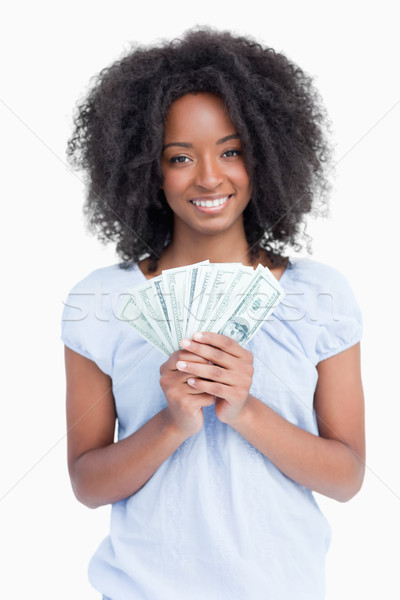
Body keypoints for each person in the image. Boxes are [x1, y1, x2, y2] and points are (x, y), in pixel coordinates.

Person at [62, 28, 365, 600]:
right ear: (148, 169)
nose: (209, 177)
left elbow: (347, 476)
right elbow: (87, 483)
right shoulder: (99, 303)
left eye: (231, 151)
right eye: (180, 158)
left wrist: (245, 410)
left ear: (266, 154)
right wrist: (172, 423)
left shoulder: (320, 295)